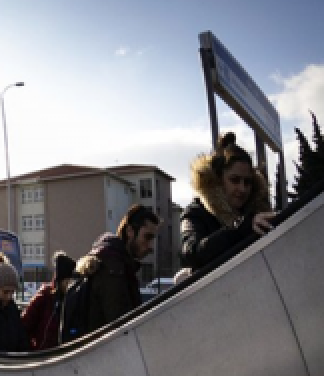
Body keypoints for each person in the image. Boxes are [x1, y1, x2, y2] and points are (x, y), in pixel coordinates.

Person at [180, 131, 275, 272]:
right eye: (234, 180)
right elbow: (190, 253)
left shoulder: (256, 213)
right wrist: (241, 230)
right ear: (218, 180)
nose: (242, 189)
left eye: (247, 182)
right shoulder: (195, 212)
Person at [74, 203, 160, 334]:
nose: (150, 246)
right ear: (130, 231)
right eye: (147, 237)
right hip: (107, 351)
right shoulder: (112, 268)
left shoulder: (116, 263)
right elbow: (122, 326)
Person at [20, 251, 76, 350]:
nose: (70, 285)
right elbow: (25, 325)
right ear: (61, 280)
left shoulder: (71, 299)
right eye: (68, 281)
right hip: (42, 354)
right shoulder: (45, 296)